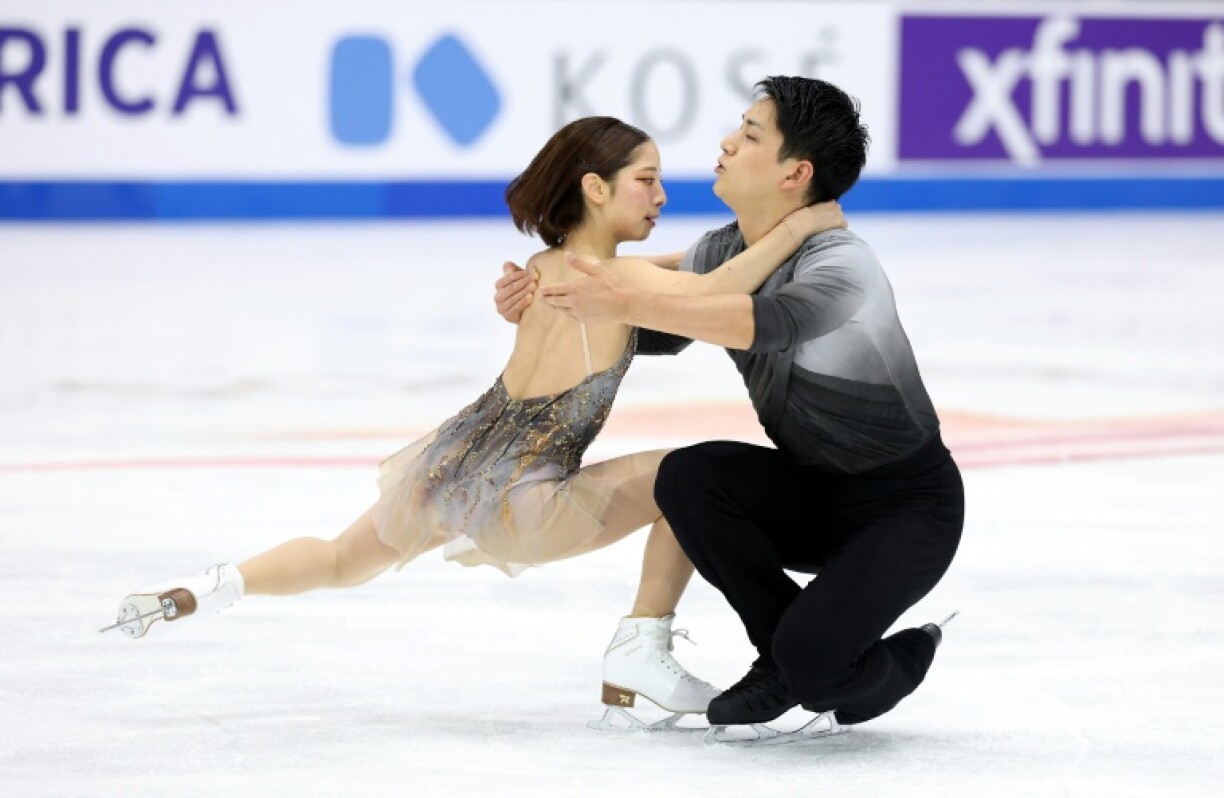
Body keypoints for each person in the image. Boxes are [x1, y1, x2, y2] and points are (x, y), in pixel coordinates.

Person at [103, 116, 846, 729]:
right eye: (646, 180)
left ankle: (208, 586)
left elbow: (676, 272)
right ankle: (640, 649)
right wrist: (804, 223)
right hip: (529, 499)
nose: (661, 194)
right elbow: (718, 286)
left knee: (340, 560)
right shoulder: (616, 279)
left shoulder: (547, 267)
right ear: (595, 188)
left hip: (453, 466)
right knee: (692, 477)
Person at [496, 77, 964, 734]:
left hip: (905, 508)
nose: (726, 143)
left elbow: (759, 322)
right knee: (689, 477)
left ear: (795, 173)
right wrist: (541, 305)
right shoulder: (723, 251)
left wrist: (624, 301)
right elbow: (646, 325)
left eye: (749, 135)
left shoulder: (843, 266)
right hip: (809, 493)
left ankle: (900, 658)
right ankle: (780, 652)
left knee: (820, 673)